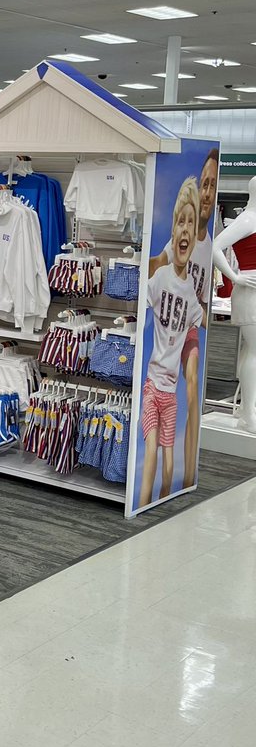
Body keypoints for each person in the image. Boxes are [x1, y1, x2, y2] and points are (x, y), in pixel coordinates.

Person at [148, 148, 218, 487]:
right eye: (204, 183)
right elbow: (158, 262)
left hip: (192, 325)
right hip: (173, 324)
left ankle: (188, 474)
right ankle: (175, 473)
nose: (207, 192)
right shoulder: (181, 239)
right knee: (171, 390)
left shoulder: (211, 242)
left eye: (213, 186)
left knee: (191, 385)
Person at [140, 178, 204, 508]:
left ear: (193, 238)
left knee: (169, 464)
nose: (185, 229)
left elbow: (200, 319)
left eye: (190, 224)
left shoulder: (191, 291)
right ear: (174, 230)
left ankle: (160, 505)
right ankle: (141, 505)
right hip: (152, 387)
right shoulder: (160, 278)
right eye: (181, 221)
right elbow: (143, 295)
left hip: (171, 395)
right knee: (151, 449)